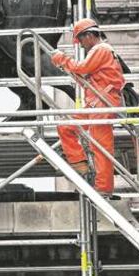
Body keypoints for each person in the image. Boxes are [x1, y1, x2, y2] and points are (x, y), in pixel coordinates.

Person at [51, 18, 126, 196]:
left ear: (90, 35)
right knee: (65, 127)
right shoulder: (100, 52)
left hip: (102, 104)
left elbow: (82, 68)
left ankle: (103, 188)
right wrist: (70, 69)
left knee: (100, 148)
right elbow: (86, 78)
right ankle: (79, 163)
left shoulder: (101, 49)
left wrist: (62, 59)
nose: (82, 45)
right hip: (94, 104)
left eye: (81, 40)